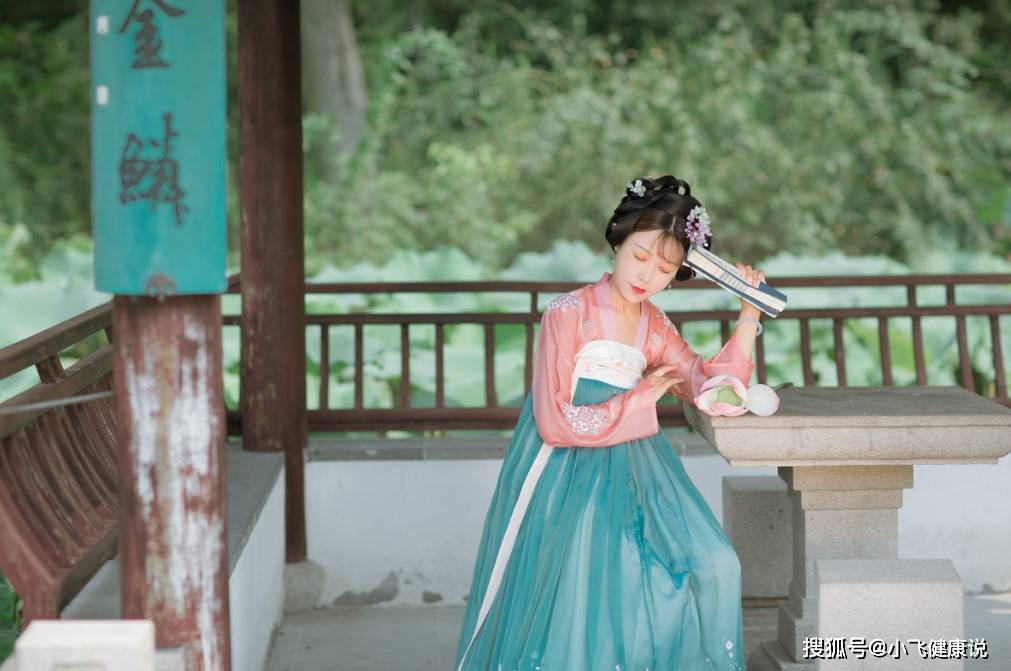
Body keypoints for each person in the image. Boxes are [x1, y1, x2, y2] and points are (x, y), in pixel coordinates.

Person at [454, 174, 766, 671]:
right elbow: (554, 420)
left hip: (637, 466)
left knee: (714, 562)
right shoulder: (567, 312)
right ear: (619, 240)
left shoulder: (655, 326)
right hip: (563, 470)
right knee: (593, 581)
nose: (648, 275)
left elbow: (712, 390)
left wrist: (749, 314)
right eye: (640, 256)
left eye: (665, 268)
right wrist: (640, 397)